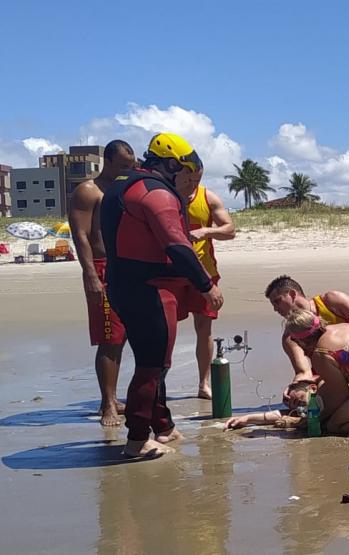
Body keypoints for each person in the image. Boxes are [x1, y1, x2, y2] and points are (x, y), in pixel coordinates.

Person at [100, 132, 224, 459]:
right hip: (149, 289)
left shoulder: (124, 185)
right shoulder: (156, 193)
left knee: (154, 362)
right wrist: (206, 286)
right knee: (152, 365)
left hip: (124, 285)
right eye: (188, 176)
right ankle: (137, 440)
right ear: (171, 166)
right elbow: (177, 246)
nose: (190, 185)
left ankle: (163, 426)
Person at [68, 139, 137, 426]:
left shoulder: (125, 187)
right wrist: (91, 275)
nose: (126, 170)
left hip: (127, 267)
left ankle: (114, 398)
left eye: (130, 166)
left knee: (128, 335)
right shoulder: (88, 191)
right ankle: (107, 403)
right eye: (122, 165)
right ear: (107, 162)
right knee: (110, 338)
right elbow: (80, 235)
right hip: (102, 267)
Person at [264, 275, 349, 386]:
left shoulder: (330, 301)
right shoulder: (290, 337)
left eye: (277, 301)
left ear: (292, 294)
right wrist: (296, 388)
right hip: (329, 377)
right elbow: (304, 371)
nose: (275, 309)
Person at [174, 170, 236, 399]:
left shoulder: (207, 197)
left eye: (197, 179)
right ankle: (158, 382)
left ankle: (204, 382)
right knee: (166, 328)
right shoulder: (166, 195)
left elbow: (230, 230)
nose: (192, 183)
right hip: (172, 274)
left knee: (204, 328)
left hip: (204, 273)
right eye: (188, 179)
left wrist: (207, 231)